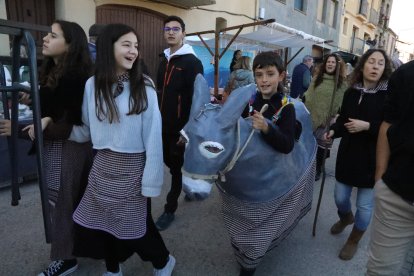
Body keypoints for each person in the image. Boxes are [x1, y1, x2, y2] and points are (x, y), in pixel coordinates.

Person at [69, 23, 175, 276]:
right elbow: (86, 128)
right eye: (126, 45)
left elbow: (153, 138)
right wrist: (51, 131)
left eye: (136, 46)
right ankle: (113, 268)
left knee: (138, 228)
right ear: (108, 47)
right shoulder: (92, 85)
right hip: (102, 165)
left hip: (133, 169)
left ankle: (163, 262)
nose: (133, 51)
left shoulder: (144, 86)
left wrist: (151, 182)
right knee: (102, 224)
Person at [20, 20, 94, 276]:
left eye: (53, 35)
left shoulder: (78, 76)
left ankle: (65, 259)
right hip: (58, 146)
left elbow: (73, 117)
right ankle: (77, 249)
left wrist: (47, 119)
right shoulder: (55, 70)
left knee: (62, 202)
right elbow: (54, 106)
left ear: (70, 44)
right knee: (61, 200)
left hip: (70, 146)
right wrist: (37, 103)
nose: (45, 39)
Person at [231, 51, 296, 276]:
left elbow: (287, 145)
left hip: (270, 175)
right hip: (248, 171)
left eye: (270, 74)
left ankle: (250, 260)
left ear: (281, 76)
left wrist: (268, 128)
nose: (264, 80)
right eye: (259, 75)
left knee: (261, 221)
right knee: (240, 215)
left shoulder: (286, 107)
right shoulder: (250, 101)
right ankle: (244, 246)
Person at [325, 49, 392, 261]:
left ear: (384, 69)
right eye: (371, 62)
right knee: (340, 197)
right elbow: (344, 119)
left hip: (373, 159)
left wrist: (367, 126)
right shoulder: (351, 92)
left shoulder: (388, 96)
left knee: (364, 206)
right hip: (348, 155)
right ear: (362, 66)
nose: (375, 66)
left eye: (380, 63)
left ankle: (354, 239)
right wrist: (334, 131)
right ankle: (345, 218)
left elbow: (391, 128)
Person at [155, 15, 204, 231]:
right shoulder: (163, 60)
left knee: (174, 168)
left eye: (176, 29)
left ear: (184, 33)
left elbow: (199, 101)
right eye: (167, 29)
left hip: (179, 129)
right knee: (170, 163)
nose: (171, 32)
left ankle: (169, 209)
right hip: (160, 126)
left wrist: (187, 131)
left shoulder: (192, 62)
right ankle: (187, 185)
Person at [366, 60, 414, 275]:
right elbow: (388, 123)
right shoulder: (406, 74)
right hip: (398, 197)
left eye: (379, 63)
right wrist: (380, 178)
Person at [304, 53, 347, 181]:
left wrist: (336, 116)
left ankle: (318, 169)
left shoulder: (341, 83)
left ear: (338, 65)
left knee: (322, 146)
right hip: (312, 116)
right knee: (311, 145)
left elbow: (342, 103)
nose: (330, 64)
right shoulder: (317, 78)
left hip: (329, 119)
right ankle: (311, 167)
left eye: (333, 62)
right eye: (328, 61)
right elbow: (309, 95)